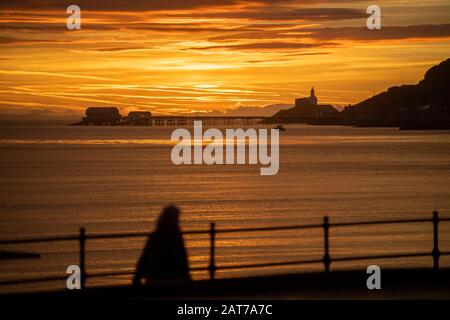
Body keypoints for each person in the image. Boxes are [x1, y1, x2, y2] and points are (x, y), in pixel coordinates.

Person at [133, 205, 191, 285]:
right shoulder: (175, 236)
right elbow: (182, 259)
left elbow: (145, 257)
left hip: (154, 276)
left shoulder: (155, 235)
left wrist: (137, 277)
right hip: (171, 277)